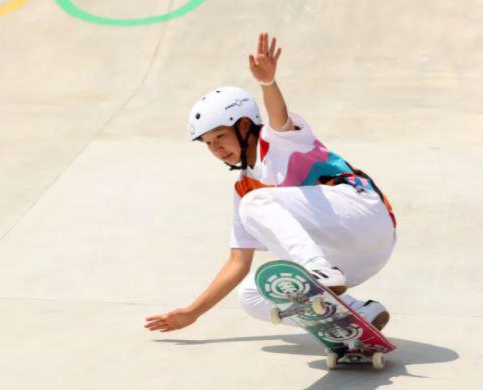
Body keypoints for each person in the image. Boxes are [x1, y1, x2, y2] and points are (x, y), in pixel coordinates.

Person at [144, 33, 396, 333]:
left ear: (245, 125)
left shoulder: (276, 141)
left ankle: (318, 272)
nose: (216, 149)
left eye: (220, 136)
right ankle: (356, 313)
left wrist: (267, 83)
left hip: (365, 216)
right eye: (208, 143)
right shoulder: (244, 188)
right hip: (355, 258)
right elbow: (238, 263)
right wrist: (192, 313)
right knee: (253, 295)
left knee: (256, 202)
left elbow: (278, 117)